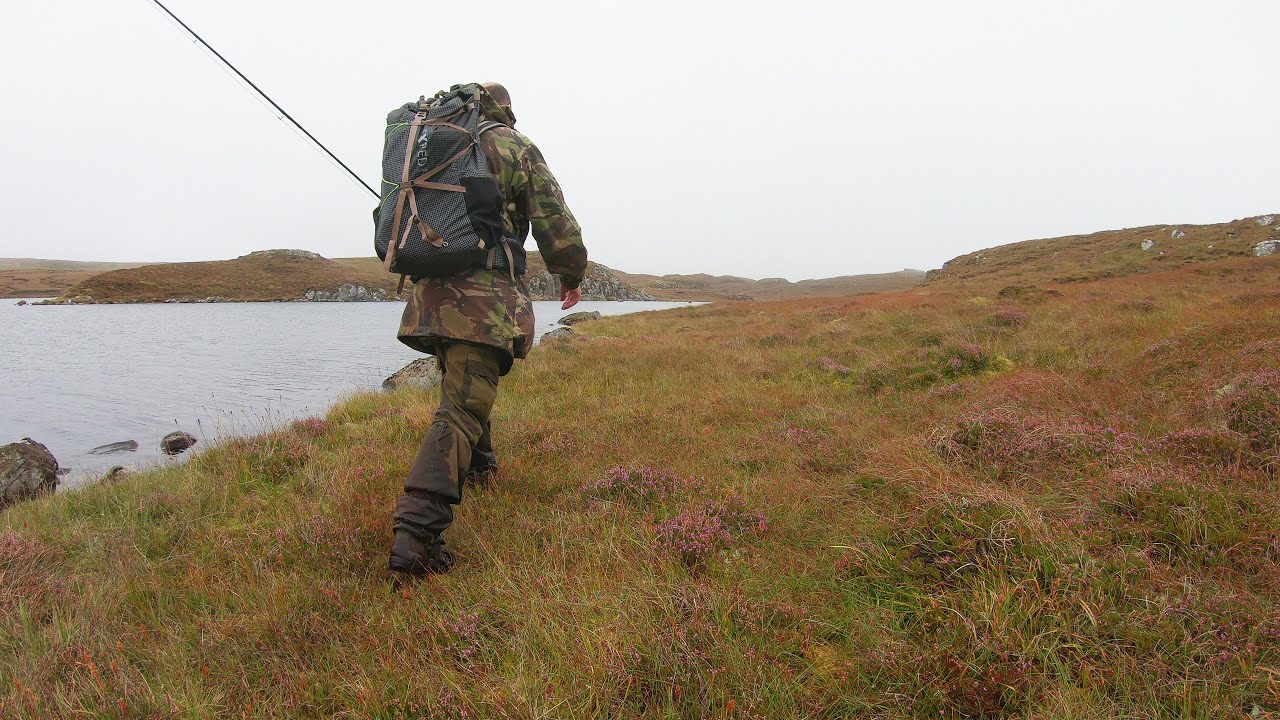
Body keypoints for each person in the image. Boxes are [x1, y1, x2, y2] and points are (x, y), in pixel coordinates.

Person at [388, 82, 588, 577]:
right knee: (461, 408)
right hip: (482, 301)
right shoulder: (509, 143)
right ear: (506, 109)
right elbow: (554, 219)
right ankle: (415, 538)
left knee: (464, 387)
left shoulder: (434, 142)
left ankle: (481, 468)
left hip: (431, 298)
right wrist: (572, 274)